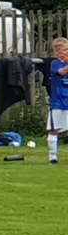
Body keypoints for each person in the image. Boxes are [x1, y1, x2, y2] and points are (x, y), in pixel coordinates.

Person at [47, 36, 68, 166]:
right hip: (58, 102)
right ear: (57, 52)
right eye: (65, 50)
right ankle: (53, 156)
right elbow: (62, 72)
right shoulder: (55, 64)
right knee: (54, 129)